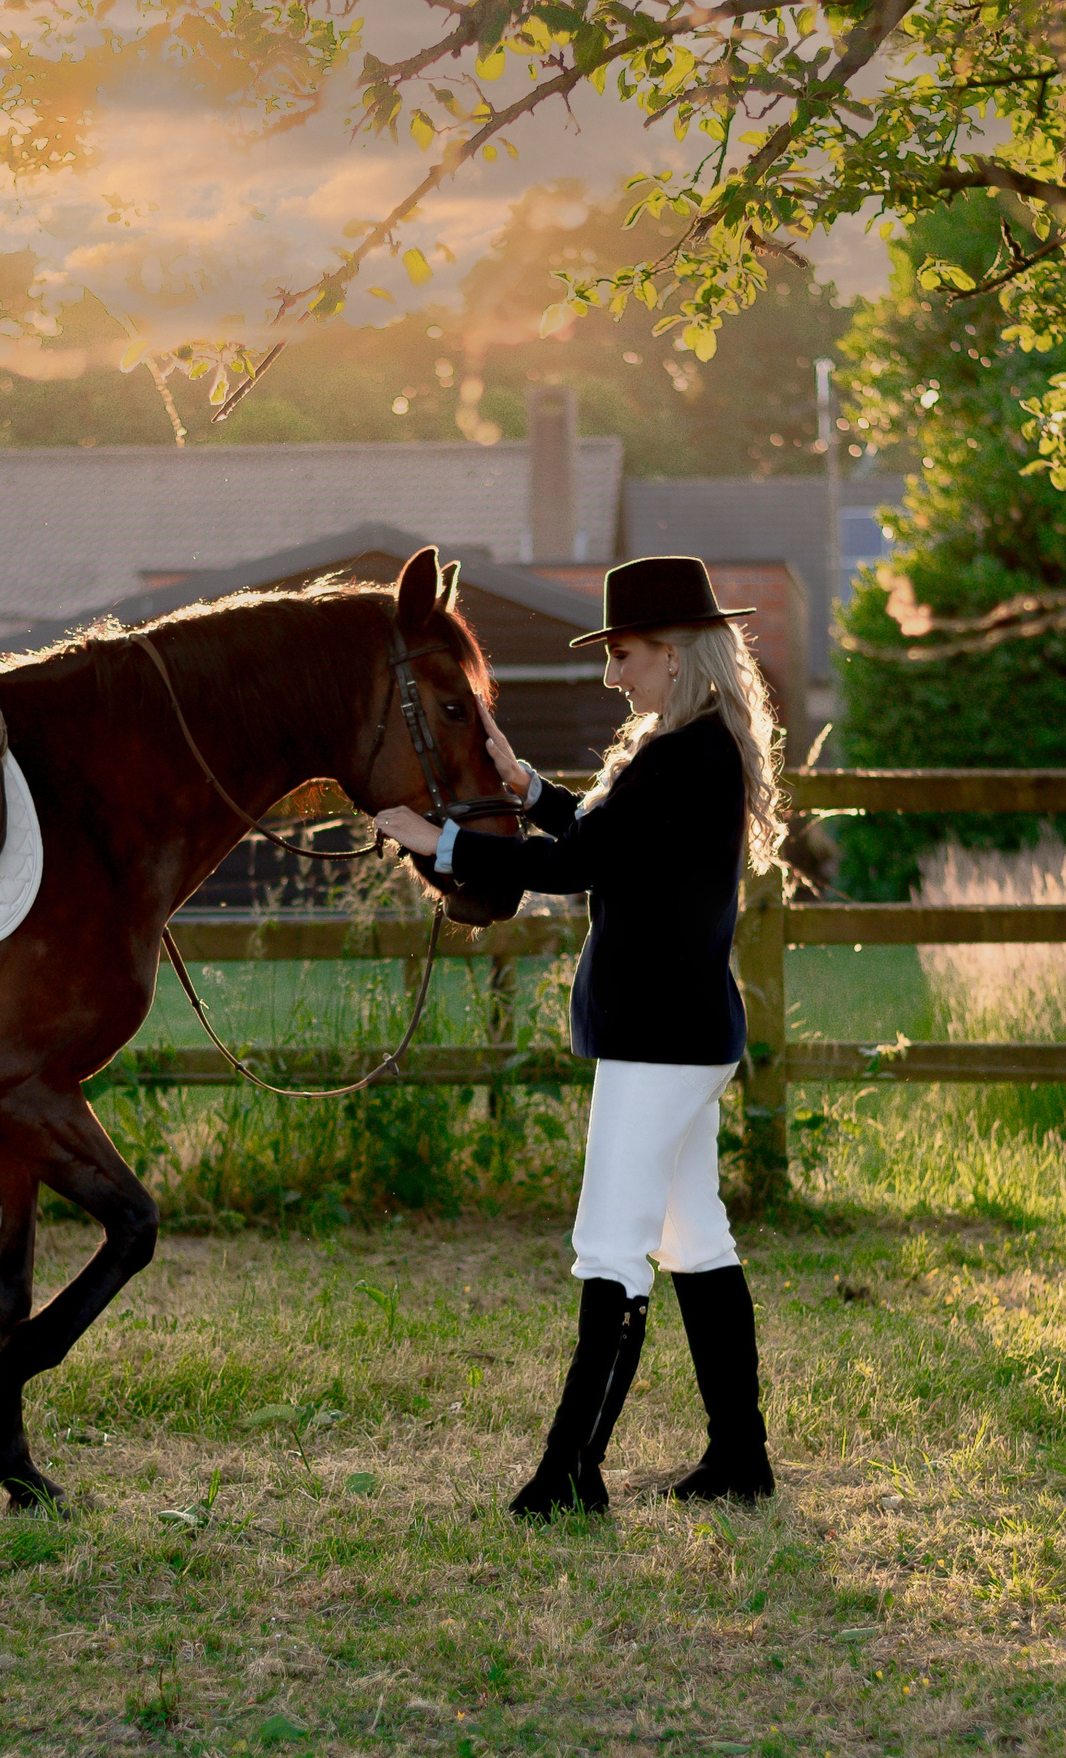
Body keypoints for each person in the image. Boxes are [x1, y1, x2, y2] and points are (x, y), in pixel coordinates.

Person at [375, 555, 786, 1519]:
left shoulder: (683, 757)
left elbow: (578, 865)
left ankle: (570, 1476)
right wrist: (527, 787)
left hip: (659, 1041)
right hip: (682, 1033)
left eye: (627, 654)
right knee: (694, 1236)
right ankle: (740, 1458)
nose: (614, 674)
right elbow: (610, 841)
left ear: (679, 657)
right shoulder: (694, 750)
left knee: (610, 1246)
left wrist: (429, 837)